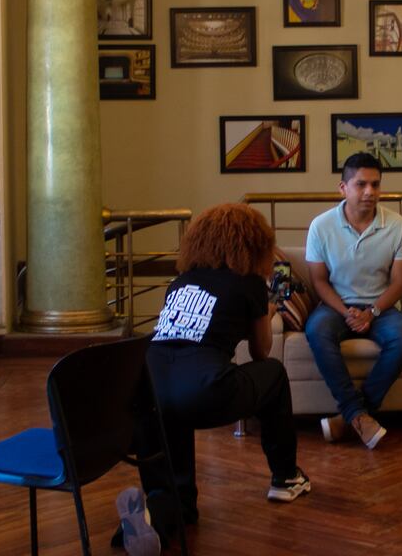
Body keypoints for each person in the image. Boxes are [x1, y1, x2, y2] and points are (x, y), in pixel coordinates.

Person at [122, 203, 309, 548]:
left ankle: (156, 514)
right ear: (255, 244)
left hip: (148, 392)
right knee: (275, 375)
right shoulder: (250, 284)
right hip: (206, 391)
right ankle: (285, 477)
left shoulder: (179, 283)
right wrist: (266, 311)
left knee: (174, 425)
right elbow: (260, 353)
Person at [304, 151, 402, 449]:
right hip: (336, 305)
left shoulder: (396, 225)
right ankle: (359, 415)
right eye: (361, 184)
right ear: (343, 188)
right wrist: (348, 312)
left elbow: (400, 281)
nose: (370, 192)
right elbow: (318, 281)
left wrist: (372, 312)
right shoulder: (321, 226)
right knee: (316, 330)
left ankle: (350, 416)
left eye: (376, 185)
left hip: (382, 307)